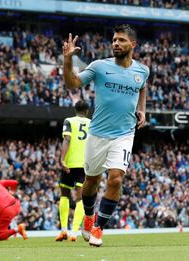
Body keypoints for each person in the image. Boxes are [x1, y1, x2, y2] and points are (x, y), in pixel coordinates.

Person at [62, 24, 149, 247]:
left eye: (121, 40)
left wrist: (142, 110)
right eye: (114, 40)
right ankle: (89, 216)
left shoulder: (142, 70)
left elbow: (142, 88)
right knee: (91, 180)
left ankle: (99, 228)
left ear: (133, 44)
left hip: (125, 133)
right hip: (98, 133)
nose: (116, 44)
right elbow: (72, 83)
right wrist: (68, 59)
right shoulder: (99, 66)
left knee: (116, 178)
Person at [55, 100, 91, 242]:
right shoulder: (91, 123)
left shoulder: (69, 121)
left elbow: (67, 139)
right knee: (80, 198)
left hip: (70, 164)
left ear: (75, 110)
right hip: (84, 164)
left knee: (64, 195)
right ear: (87, 111)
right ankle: (74, 232)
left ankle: (64, 230)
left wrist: (62, 159)